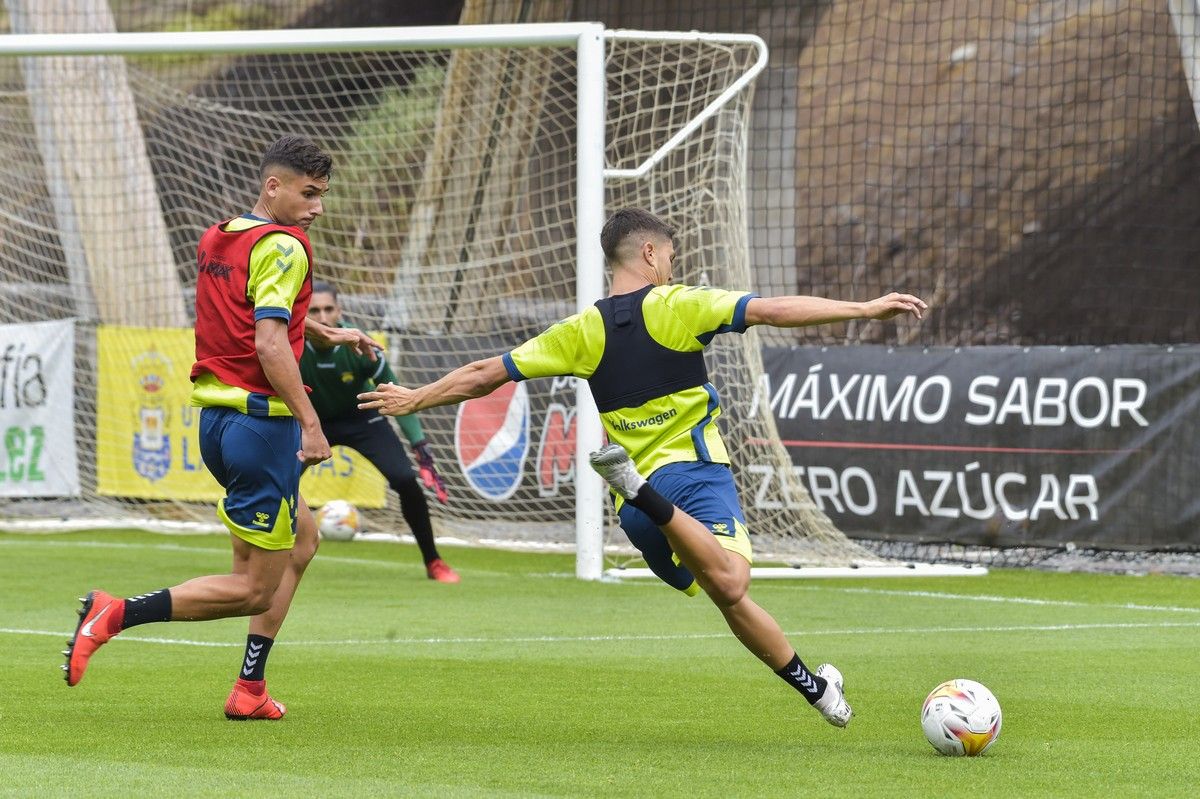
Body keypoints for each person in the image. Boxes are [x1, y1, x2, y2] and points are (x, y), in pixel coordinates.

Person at [358, 208, 928, 727]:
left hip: (636, 519)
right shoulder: (678, 304)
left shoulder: (581, 330)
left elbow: (488, 371)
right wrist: (864, 306)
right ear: (651, 254)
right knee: (731, 581)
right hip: (690, 477)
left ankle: (818, 689)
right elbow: (770, 310)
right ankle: (638, 488)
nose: (671, 267)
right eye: (670, 257)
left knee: (708, 585)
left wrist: (416, 398)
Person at [63, 134, 376, 720]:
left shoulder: (221, 234)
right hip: (264, 429)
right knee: (254, 586)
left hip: (218, 422)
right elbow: (267, 340)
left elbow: (242, 320)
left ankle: (250, 690)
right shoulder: (286, 247)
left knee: (302, 539)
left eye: (322, 196)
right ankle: (116, 612)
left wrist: (323, 333)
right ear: (272, 186)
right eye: (308, 194)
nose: (317, 208)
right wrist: (311, 424)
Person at [302, 280, 459, 582]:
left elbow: (394, 393)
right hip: (311, 422)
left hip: (363, 419)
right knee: (276, 484)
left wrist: (420, 446)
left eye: (328, 309)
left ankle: (434, 561)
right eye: (314, 311)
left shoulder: (358, 345)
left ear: (340, 310)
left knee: (404, 480)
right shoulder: (291, 343)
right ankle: (263, 564)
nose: (322, 317)